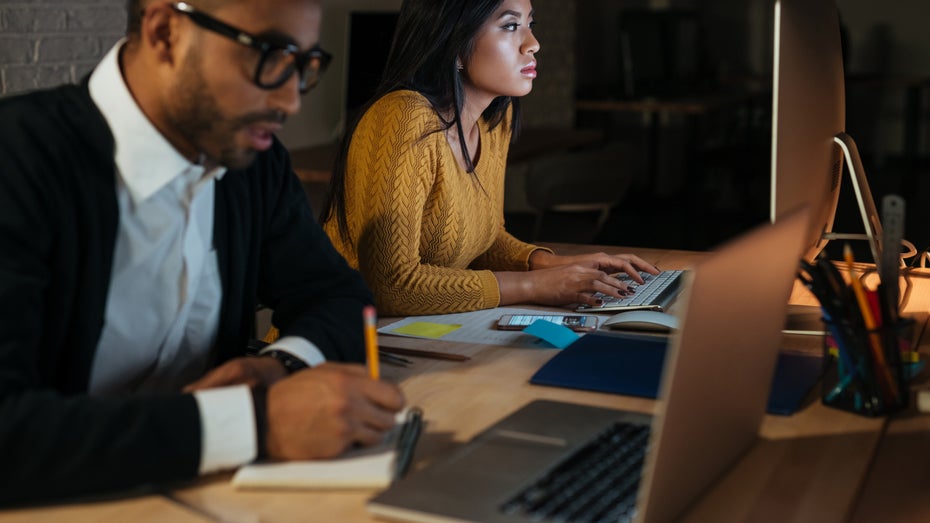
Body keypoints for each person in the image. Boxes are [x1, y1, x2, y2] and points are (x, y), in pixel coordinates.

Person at [0, 0, 404, 505]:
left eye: (303, 65)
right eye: (271, 55)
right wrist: (257, 424)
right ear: (166, 31)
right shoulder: (17, 159)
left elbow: (342, 300)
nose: (291, 100)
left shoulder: (254, 166)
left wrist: (279, 366)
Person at [319, 0, 660, 317]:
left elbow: (485, 240)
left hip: (412, 336)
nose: (533, 43)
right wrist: (534, 286)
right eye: (511, 26)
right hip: (339, 343)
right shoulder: (403, 118)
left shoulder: (495, 119)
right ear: (454, 44)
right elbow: (390, 286)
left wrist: (561, 266)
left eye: (530, 23)